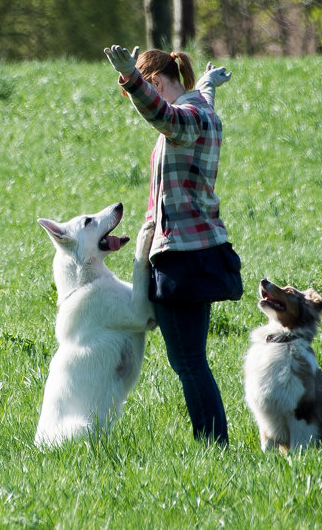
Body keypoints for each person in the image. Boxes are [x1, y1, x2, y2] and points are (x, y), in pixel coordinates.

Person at [104, 44, 243, 446]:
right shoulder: (203, 110)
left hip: (180, 256)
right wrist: (207, 83)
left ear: (156, 82)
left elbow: (162, 114)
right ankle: (214, 442)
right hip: (197, 250)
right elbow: (192, 100)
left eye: (147, 88)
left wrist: (130, 80)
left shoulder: (185, 120)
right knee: (191, 359)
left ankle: (214, 446)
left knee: (188, 363)